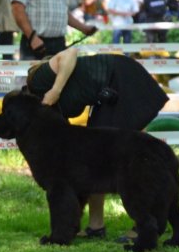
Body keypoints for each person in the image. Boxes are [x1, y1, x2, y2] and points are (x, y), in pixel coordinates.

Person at [26, 46, 168, 239]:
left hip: (124, 81)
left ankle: (145, 226)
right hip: (111, 93)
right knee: (93, 158)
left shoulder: (37, 80)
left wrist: (56, 90)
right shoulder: (48, 113)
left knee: (121, 161)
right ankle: (96, 226)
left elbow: (70, 52)